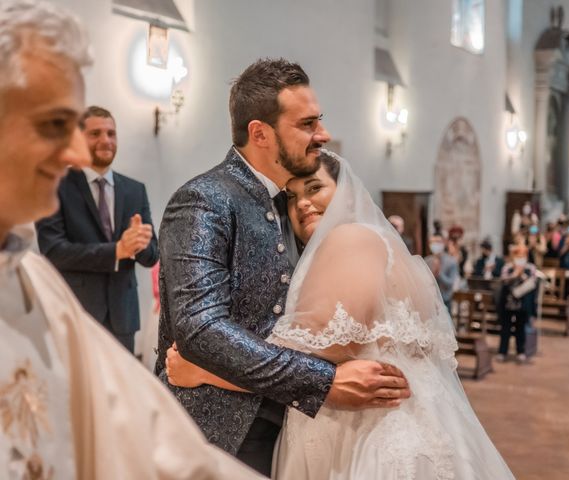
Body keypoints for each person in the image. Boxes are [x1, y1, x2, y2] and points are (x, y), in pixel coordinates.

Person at [0, 1, 265, 478]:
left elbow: (145, 428)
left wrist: (140, 246)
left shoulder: (33, 284)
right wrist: (113, 251)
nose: (78, 152)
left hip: (119, 312)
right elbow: (58, 248)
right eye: (53, 125)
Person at [167, 152, 515, 479]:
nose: (303, 203)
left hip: (368, 437)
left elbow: (312, 353)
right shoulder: (376, 244)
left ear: (346, 193)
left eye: (315, 188)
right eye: (291, 197)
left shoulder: (349, 239)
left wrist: (205, 370)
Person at [155, 58, 410, 476]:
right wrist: (323, 382)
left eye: (319, 121)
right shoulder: (205, 199)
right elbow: (200, 329)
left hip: (292, 428)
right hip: (220, 432)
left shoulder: (294, 208)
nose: (323, 135)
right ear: (260, 133)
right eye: (307, 124)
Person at [36, 106, 158, 352]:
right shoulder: (55, 186)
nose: (106, 140)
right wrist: (116, 251)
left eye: (111, 134)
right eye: (95, 134)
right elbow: (53, 251)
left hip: (123, 317)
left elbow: (152, 256)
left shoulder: (135, 190)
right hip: (76, 313)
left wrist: (141, 244)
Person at [497, 244, 537, 364]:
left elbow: (533, 283)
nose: (520, 259)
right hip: (508, 303)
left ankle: (521, 351)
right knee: (505, 328)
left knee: (520, 328)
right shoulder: (507, 267)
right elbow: (503, 280)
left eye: (522, 256)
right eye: (518, 256)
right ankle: (502, 352)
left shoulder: (530, 268)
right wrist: (514, 274)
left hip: (523, 304)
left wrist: (522, 274)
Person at [425, 233, 459, 311]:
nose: (435, 245)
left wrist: (439, 273)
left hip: (445, 300)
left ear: (443, 243)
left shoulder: (451, 261)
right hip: (430, 301)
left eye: (438, 242)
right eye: (432, 242)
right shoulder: (426, 261)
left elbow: (450, 283)